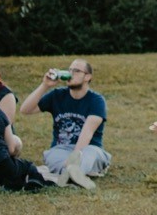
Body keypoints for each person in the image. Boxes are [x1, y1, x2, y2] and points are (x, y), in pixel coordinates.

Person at [22, 59, 110, 187]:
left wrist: (74, 159)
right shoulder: (57, 95)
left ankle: (67, 173)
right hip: (61, 148)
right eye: (69, 70)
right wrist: (45, 85)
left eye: (76, 71)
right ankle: (74, 175)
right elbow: (25, 109)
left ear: (87, 77)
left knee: (90, 153)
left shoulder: (96, 100)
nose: (70, 73)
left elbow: (87, 133)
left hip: (88, 148)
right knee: (52, 155)